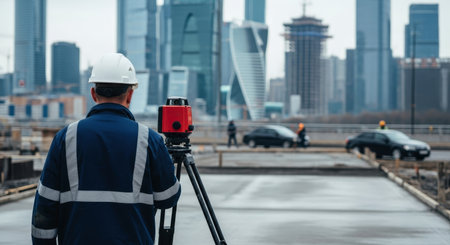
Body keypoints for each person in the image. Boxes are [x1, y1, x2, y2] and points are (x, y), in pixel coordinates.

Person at [31, 53, 180, 244]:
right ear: (130, 94)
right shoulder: (148, 139)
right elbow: (168, 198)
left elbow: (45, 208)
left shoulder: (65, 138)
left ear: (93, 94)